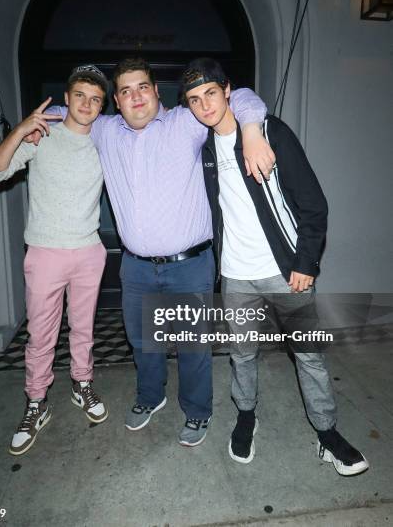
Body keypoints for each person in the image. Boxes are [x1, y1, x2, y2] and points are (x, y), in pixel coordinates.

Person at [45, 57, 275, 446]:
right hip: (136, 269)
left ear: (156, 91)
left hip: (188, 266)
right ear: (116, 100)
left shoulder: (185, 123)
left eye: (142, 87)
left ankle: (197, 412)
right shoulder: (104, 131)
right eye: (125, 91)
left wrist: (252, 131)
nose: (135, 96)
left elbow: (243, 98)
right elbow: (65, 111)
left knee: (192, 347)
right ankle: (150, 398)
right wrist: (34, 123)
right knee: (143, 343)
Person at [181, 57, 369, 474]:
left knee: (309, 356)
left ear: (228, 91)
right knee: (242, 354)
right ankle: (246, 415)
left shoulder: (270, 132)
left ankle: (327, 433)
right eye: (194, 100)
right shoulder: (201, 148)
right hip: (235, 275)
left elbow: (313, 204)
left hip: (286, 272)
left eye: (211, 93)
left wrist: (307, 262)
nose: (204, 105)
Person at [0, 65, 109, 456]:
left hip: (89, 251)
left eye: (96, 99)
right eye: (81, 96)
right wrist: (20, 130)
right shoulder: (42, 135)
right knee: (41, 336)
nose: (87, 104)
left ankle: (81, 384)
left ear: (101, 106)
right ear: (67, 98)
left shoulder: (107, 140)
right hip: (45, 251)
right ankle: (36, 402)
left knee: (84, 329)